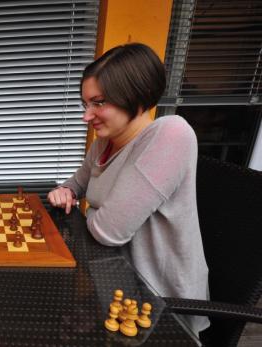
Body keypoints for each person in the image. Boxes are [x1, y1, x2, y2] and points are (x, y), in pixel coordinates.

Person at [47, 43, 209, 335]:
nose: (87, 116)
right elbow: (77, 184)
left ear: (133, 95)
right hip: (114, 284)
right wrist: (67, 192)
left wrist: (93, 212)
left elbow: (110, 231)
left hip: (158, 303)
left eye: (98, 103)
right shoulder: (103, 144)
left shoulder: (171, 134)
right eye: (85, 104)